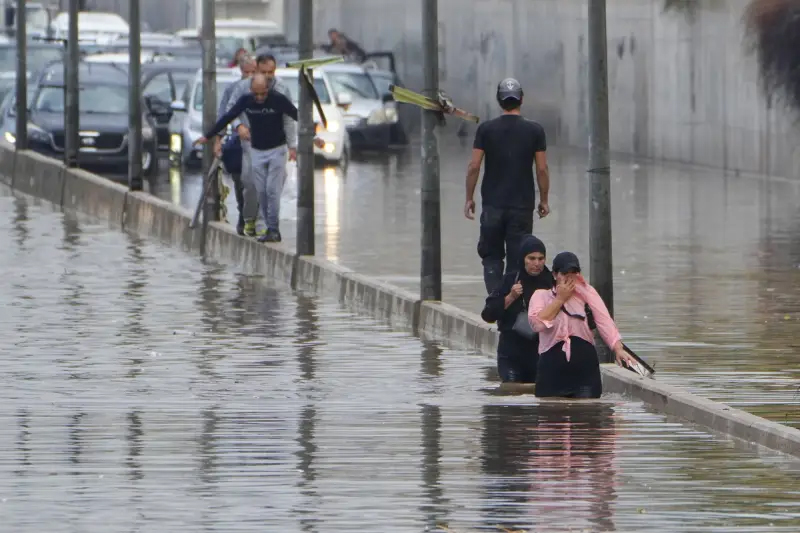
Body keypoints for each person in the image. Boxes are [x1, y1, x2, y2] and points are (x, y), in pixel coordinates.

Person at [194, 74, 324, 243]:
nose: (260, 98)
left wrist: (314, 136)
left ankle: (273, 229)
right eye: (256, 94)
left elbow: (297, 115)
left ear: (267, 90)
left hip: (277, 150)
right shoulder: (246, 100)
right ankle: (266, 225)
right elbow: (228, 116)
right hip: (257, 151)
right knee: (260, 190)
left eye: (263, 94)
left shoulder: (278, 99)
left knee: (272, 190)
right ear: (251, 91)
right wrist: (208, 136)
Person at [465, 78, 551, 295]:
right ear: (521, 99)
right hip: (521, 207)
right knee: (517, 258)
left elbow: (474, 166)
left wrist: (469, 197)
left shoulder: (485, 130)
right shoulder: (535, 131)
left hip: (492, 205)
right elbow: (542, 169)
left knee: (491, 256)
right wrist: (544, 199)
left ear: (498, 100)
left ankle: (496, 302)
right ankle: (511, 308)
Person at [528, 252, 637, 398]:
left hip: (584, 369)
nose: (569, 277)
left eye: (574, 273)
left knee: (588, 415)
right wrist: (560, 299)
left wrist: (617, 347)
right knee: (549, 415)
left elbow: (604, 320)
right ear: (555, 274)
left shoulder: (587, 293)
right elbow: (537, 324)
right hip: (551, 369)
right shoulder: (540, 296)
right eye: (565, 273)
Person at [224, 54, 296, 237]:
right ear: (256, 71)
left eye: (271, 71)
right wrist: (238, 126)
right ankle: (249, 218)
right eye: (264, 72)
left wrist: (292, 145)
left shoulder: (282, 89)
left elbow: (288, 118)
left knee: (272, 185)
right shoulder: (243, 87)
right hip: (251, 142)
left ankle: (266, 224)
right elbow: (230, 110)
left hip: (275, 144)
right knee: (250, 181)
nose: (268, 75)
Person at [481, 235, 554, 384]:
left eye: (541, 259)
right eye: (531, 258)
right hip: (511, 353)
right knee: (512, 393)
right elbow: (488, 314)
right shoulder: (510, 280)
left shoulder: (551, 283)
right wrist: (510, 297)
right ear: (523, 259)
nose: (537, 264)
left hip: (541, 353)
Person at [215, 55, 256, 235]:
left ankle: (255, 220)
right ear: (241, 71)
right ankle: (244, 215)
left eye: (254, 72)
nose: (250, 76)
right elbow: (224, 115)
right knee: (241, 183)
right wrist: (218, 140)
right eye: (247, 72)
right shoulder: (233, 90)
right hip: (240, 145)